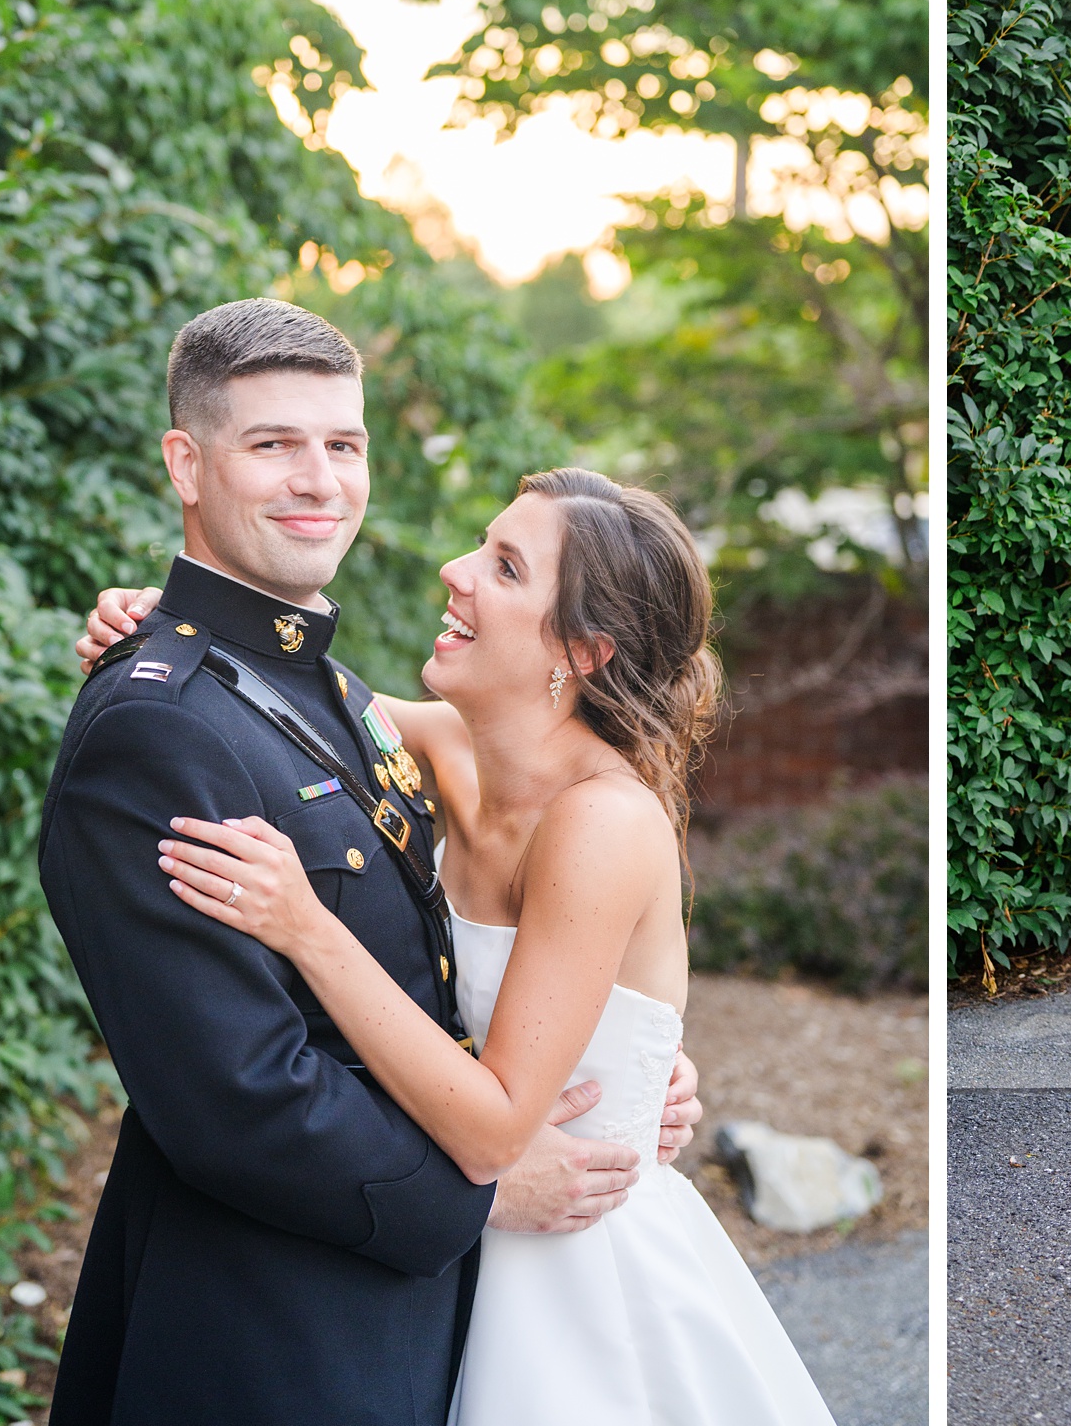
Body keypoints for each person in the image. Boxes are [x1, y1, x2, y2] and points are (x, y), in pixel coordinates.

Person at [40, 300, 700, 1426]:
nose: (319, 479)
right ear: (186, 465)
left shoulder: (342, 699)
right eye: (272, 445)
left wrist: (635, 1085)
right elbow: (242, 1097)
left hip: (477, 1299)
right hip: (271, 1336)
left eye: (341, 445)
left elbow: (469, 989)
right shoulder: (170, 727)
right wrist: (480, 1188)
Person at [141, 468, 836, 1425]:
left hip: (580, 1270)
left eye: (505, 568)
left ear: (582, 652)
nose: (455, 570)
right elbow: (270, 703)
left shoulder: (602, 822)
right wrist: (161, 619)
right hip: (459, 1247)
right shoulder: (443, 751)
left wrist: (307, 927)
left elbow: (500, 1125)